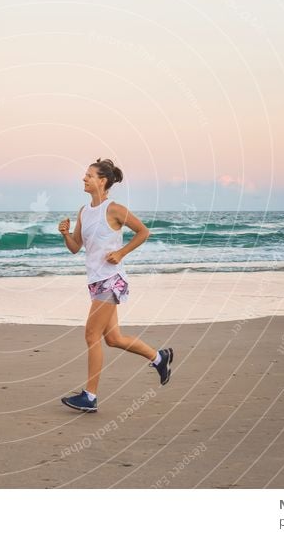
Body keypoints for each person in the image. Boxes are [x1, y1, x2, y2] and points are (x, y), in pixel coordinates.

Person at [57, 158, 173, 413]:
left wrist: (121, 253)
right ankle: (159, 357)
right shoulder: (84, 211)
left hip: (112, 280)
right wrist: (65, 234)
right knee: (113, 338)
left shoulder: (115, 209)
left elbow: (143, 232)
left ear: (103, 181)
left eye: (89, 175)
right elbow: (76, 248)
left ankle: (90, 397)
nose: (84, 179)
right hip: (95, 281)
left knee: (91, 335)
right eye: (84, 175)